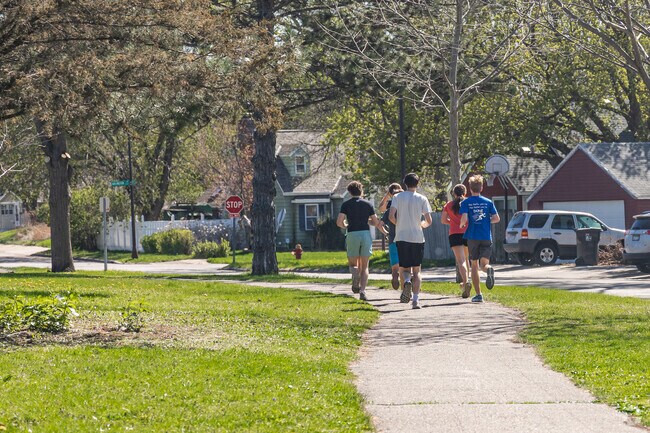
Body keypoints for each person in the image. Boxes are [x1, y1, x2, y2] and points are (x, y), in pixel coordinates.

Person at [389, 173, 433, 309]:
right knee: (417, 270)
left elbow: (391, 216)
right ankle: (415, 300)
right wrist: (421, 225)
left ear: (405, 184)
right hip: (417, 237)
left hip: (402, 236)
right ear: (417, 183)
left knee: (404, 268)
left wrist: (399, 224)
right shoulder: (422, 198)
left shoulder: (397, 197)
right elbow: (429, 220)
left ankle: (407, 281)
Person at [337, 181, 383, 301]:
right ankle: (362, 290)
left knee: (353, 264)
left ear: (350, 192)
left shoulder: (346, 205)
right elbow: (376, 222)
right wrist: (367, 221)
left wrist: (345, 225)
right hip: (365, 234)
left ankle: (355, 272)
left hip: (352, 233)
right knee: (365, 266)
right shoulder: (368, 204)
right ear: (361, 191)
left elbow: (339, 222)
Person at [460, 175, 500, 303]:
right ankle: (489, 270)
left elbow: (464, 218)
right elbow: (496, 218)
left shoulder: (466, 202)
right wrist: (486, 221)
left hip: (473, 236)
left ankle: (478, 295)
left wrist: (462, 224)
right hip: (486, 236)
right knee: (484, 264)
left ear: (470, 188)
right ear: (481, 187)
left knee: (474, 265)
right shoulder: (488, 202)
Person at [441, 184, 472, 298]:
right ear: (465, 192)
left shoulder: (449, 205)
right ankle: (466, 281)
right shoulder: (468, 203)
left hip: (454, 234)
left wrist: (453, 222)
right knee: (467, 259)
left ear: (453, 193)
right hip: (468, 233)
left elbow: (443, 220)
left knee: (461, 261)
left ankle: (465, 282)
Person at [379, 183, 404, 290]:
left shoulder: (389, 210)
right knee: (407, 266)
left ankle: (395, 276)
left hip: (393, 240)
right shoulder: (406, 209)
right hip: (406, 239)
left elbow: (380, 225)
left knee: (395, 267)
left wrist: (387, 233)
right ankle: (408, 282)